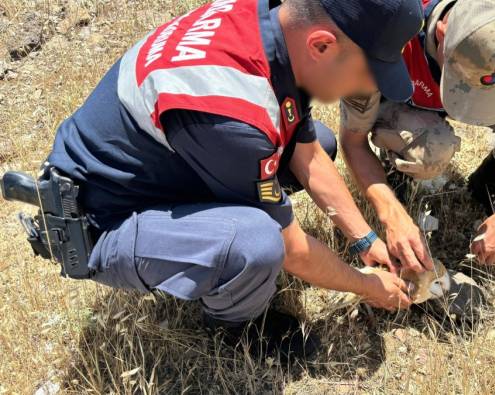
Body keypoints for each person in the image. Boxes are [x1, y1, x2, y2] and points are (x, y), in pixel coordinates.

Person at [34, 0, 424, 361]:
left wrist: (364, 239)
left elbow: (305, 149)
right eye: (365, 72)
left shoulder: (274, 24)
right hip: (99, 220)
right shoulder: (234, 114)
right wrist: (366, 285)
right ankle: (238, 330)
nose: (367, 88)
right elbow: (292, 250)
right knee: (256, 242)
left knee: (316, 140)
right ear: (321, 45)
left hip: (159, 164)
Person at [339, 0, 495, 268]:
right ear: (442, 32)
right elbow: (352, 142)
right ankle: (398, 171)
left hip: (436, 74)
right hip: (402, 95)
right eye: (462, 81)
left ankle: (491, 182)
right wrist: (392, 214)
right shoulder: (383, 27)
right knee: (429, 152)